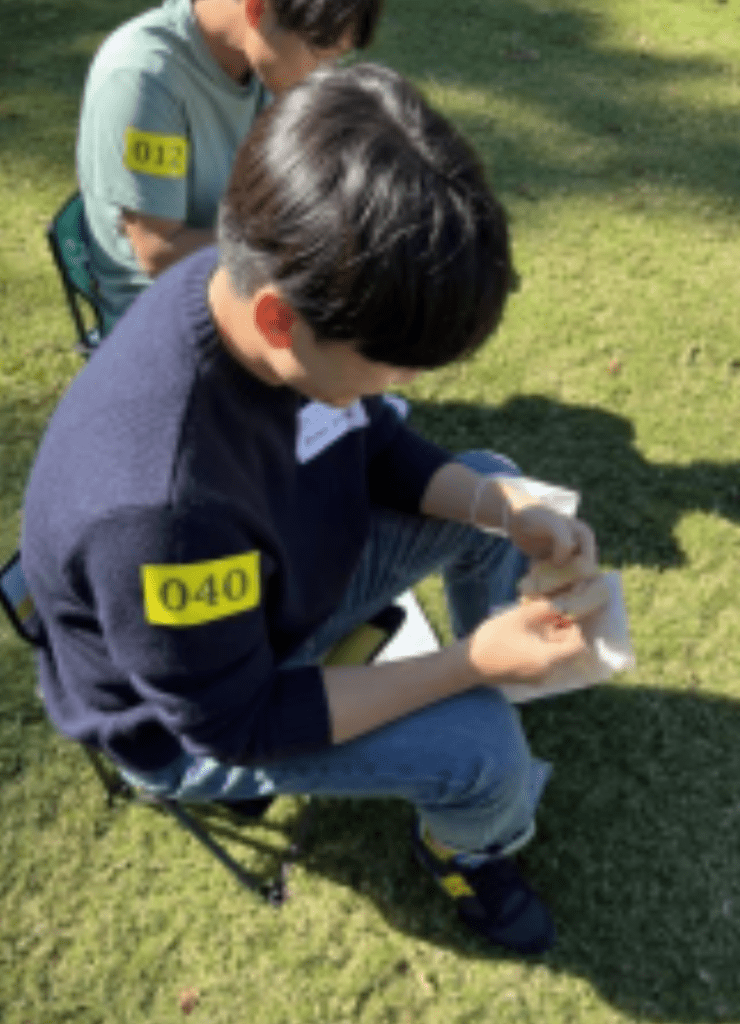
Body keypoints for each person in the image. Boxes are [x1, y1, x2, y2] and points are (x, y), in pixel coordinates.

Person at [25, 63, 598, 954]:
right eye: (396, 361)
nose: (408, 382)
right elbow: (237, 722)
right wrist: (468, 665)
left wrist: (497, 505)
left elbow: (371, 441)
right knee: (483, 750)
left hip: (274, 590)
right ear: (280, 321)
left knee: (491, 484)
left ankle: (511, 672)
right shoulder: (163, 511)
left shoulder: (253, 283)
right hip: (199, 720)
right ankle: (469, 850)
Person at [77, 0, 382, 324]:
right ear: (256, 8)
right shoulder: (147, 76)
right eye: (320, 53)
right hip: (163, 310)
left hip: (248, 281)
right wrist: (300, 250)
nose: (324, 75)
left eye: (339, 57)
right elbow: (157, 252)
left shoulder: (258, 60)